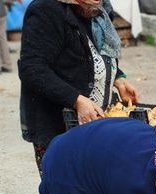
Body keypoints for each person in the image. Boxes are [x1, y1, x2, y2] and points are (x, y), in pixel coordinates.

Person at [19, 0, 140, 175]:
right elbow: (33, 68)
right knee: (68, 191)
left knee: (98, 188)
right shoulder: (46, 9)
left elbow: (96, 53)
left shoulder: (98, 8)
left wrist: (118, 78)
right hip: (59, 126)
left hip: (96, 123)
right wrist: (76, 99)